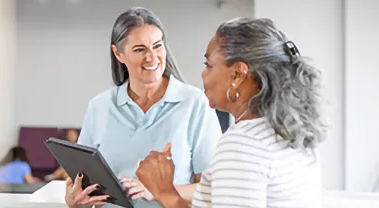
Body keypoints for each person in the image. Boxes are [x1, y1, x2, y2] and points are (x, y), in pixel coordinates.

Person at [136, 17, 327, 208]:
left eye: (208, 65)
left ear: (237, 74)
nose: (203, 74)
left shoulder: (244, 143)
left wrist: (164, 191)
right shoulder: (291, 131)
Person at [64, 7, 222, 208]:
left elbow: (212, 188)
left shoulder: (195, 103)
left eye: (157, 46)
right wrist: (74, 200)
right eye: (140, 49)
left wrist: (159, 191)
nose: (152, 57)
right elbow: (81, 182)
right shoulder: (99, 107)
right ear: (118, 54)